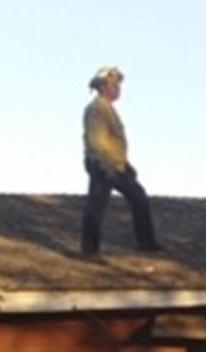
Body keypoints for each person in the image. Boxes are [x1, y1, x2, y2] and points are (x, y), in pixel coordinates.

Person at [80, 66, 160, 256]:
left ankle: (89, 249)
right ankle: (146, 243)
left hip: (106, 163)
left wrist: (124, 164)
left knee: (97, 205)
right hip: (106, 165)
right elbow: (97, 139)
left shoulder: (105, 108)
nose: (117, 88)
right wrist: (113, 165)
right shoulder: (98, 108)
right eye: (113, 84)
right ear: (102, 86)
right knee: (138, 198)